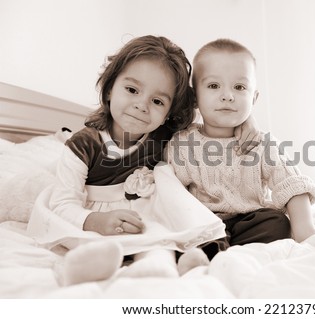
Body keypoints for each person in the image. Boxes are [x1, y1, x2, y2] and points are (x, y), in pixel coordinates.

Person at [27, 35, 256, 286]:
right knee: (91, 240)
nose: (142, 105)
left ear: (169, 112)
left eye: (157, 101)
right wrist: (97, 221)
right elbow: (63, 203)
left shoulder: (165, 135)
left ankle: (161, 268)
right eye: (132, 90)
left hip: (145, 217)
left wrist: (246, 122)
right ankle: (88, 267)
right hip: (95, 215)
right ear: (110, 87)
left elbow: (212, 122)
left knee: (159, 239)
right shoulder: (84, 145)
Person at [167, 38, 315, 270]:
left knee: (277, 222)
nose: (228, 95)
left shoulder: (261, 143)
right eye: (214, 86)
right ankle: (209, 254)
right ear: (195, 97)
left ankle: (224, 253)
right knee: (191, 230)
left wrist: (305, 233)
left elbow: (291, 185)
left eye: (239, 87)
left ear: (254, 98)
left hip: (250, 220)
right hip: (207, 221)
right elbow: (173, 193)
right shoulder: (183, 143)